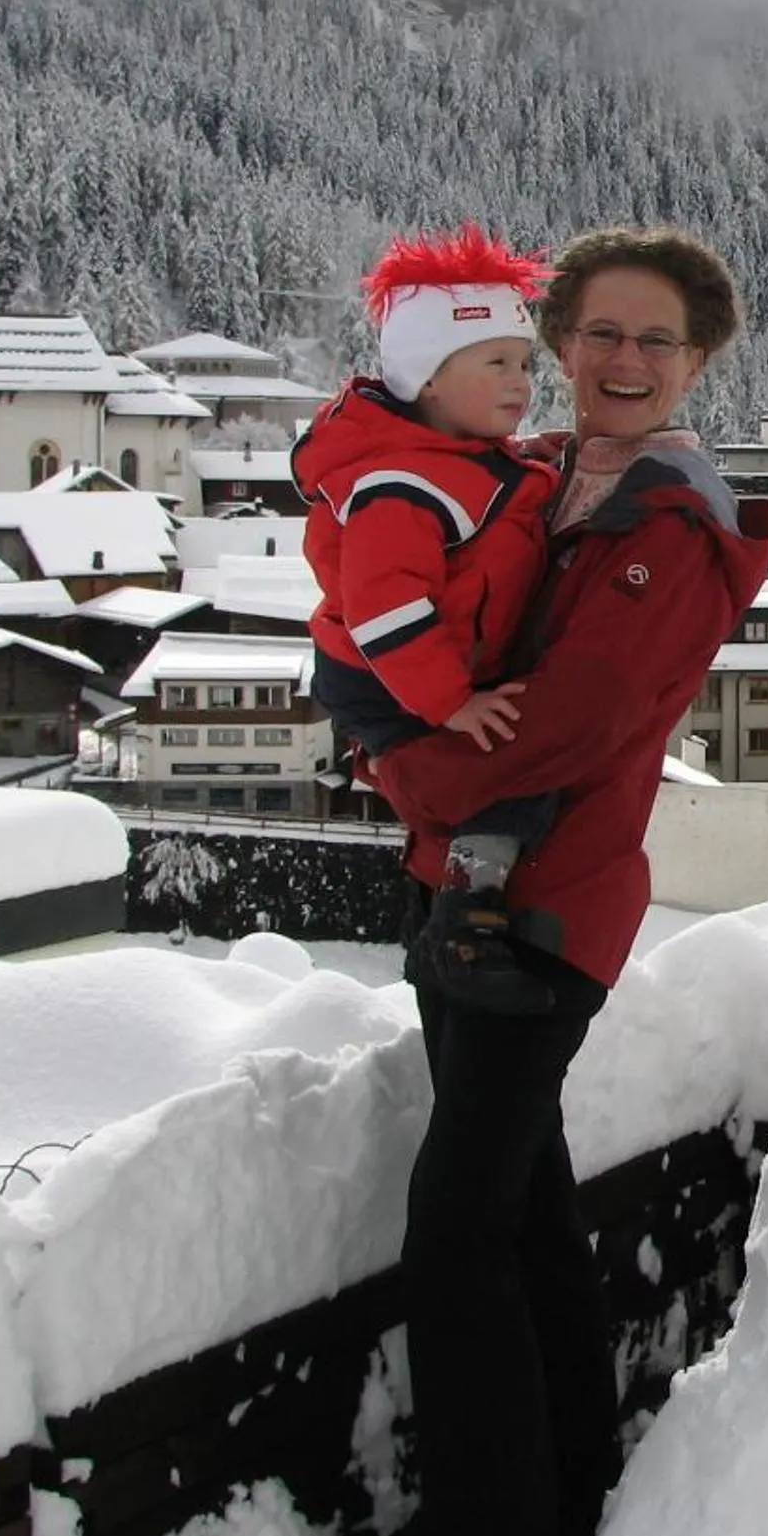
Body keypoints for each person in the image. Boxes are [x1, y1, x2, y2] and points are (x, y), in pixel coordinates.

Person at [370, 225, 768, 1536]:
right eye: (601, 332)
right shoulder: (538, 479)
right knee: (527, 1217)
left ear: (699, 360)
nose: (624, 360)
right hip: (477, 892)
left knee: (458, 1242)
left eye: (655, 340)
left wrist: (404, 768)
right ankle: (574, 1519)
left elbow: (584, 712)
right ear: (557, 343)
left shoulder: (667, 514)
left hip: (542, 911)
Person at [294, 224, 561, 1015]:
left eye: (524, 363)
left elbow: (495, 500)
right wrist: (449, 703)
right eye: (496, 364)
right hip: (384, 673)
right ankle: (467, 921)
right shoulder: (398, 487)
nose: (520, 382)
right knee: (495, 778)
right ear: (429, 380)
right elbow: (387, 612)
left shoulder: (456, 457)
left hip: (416, 665)